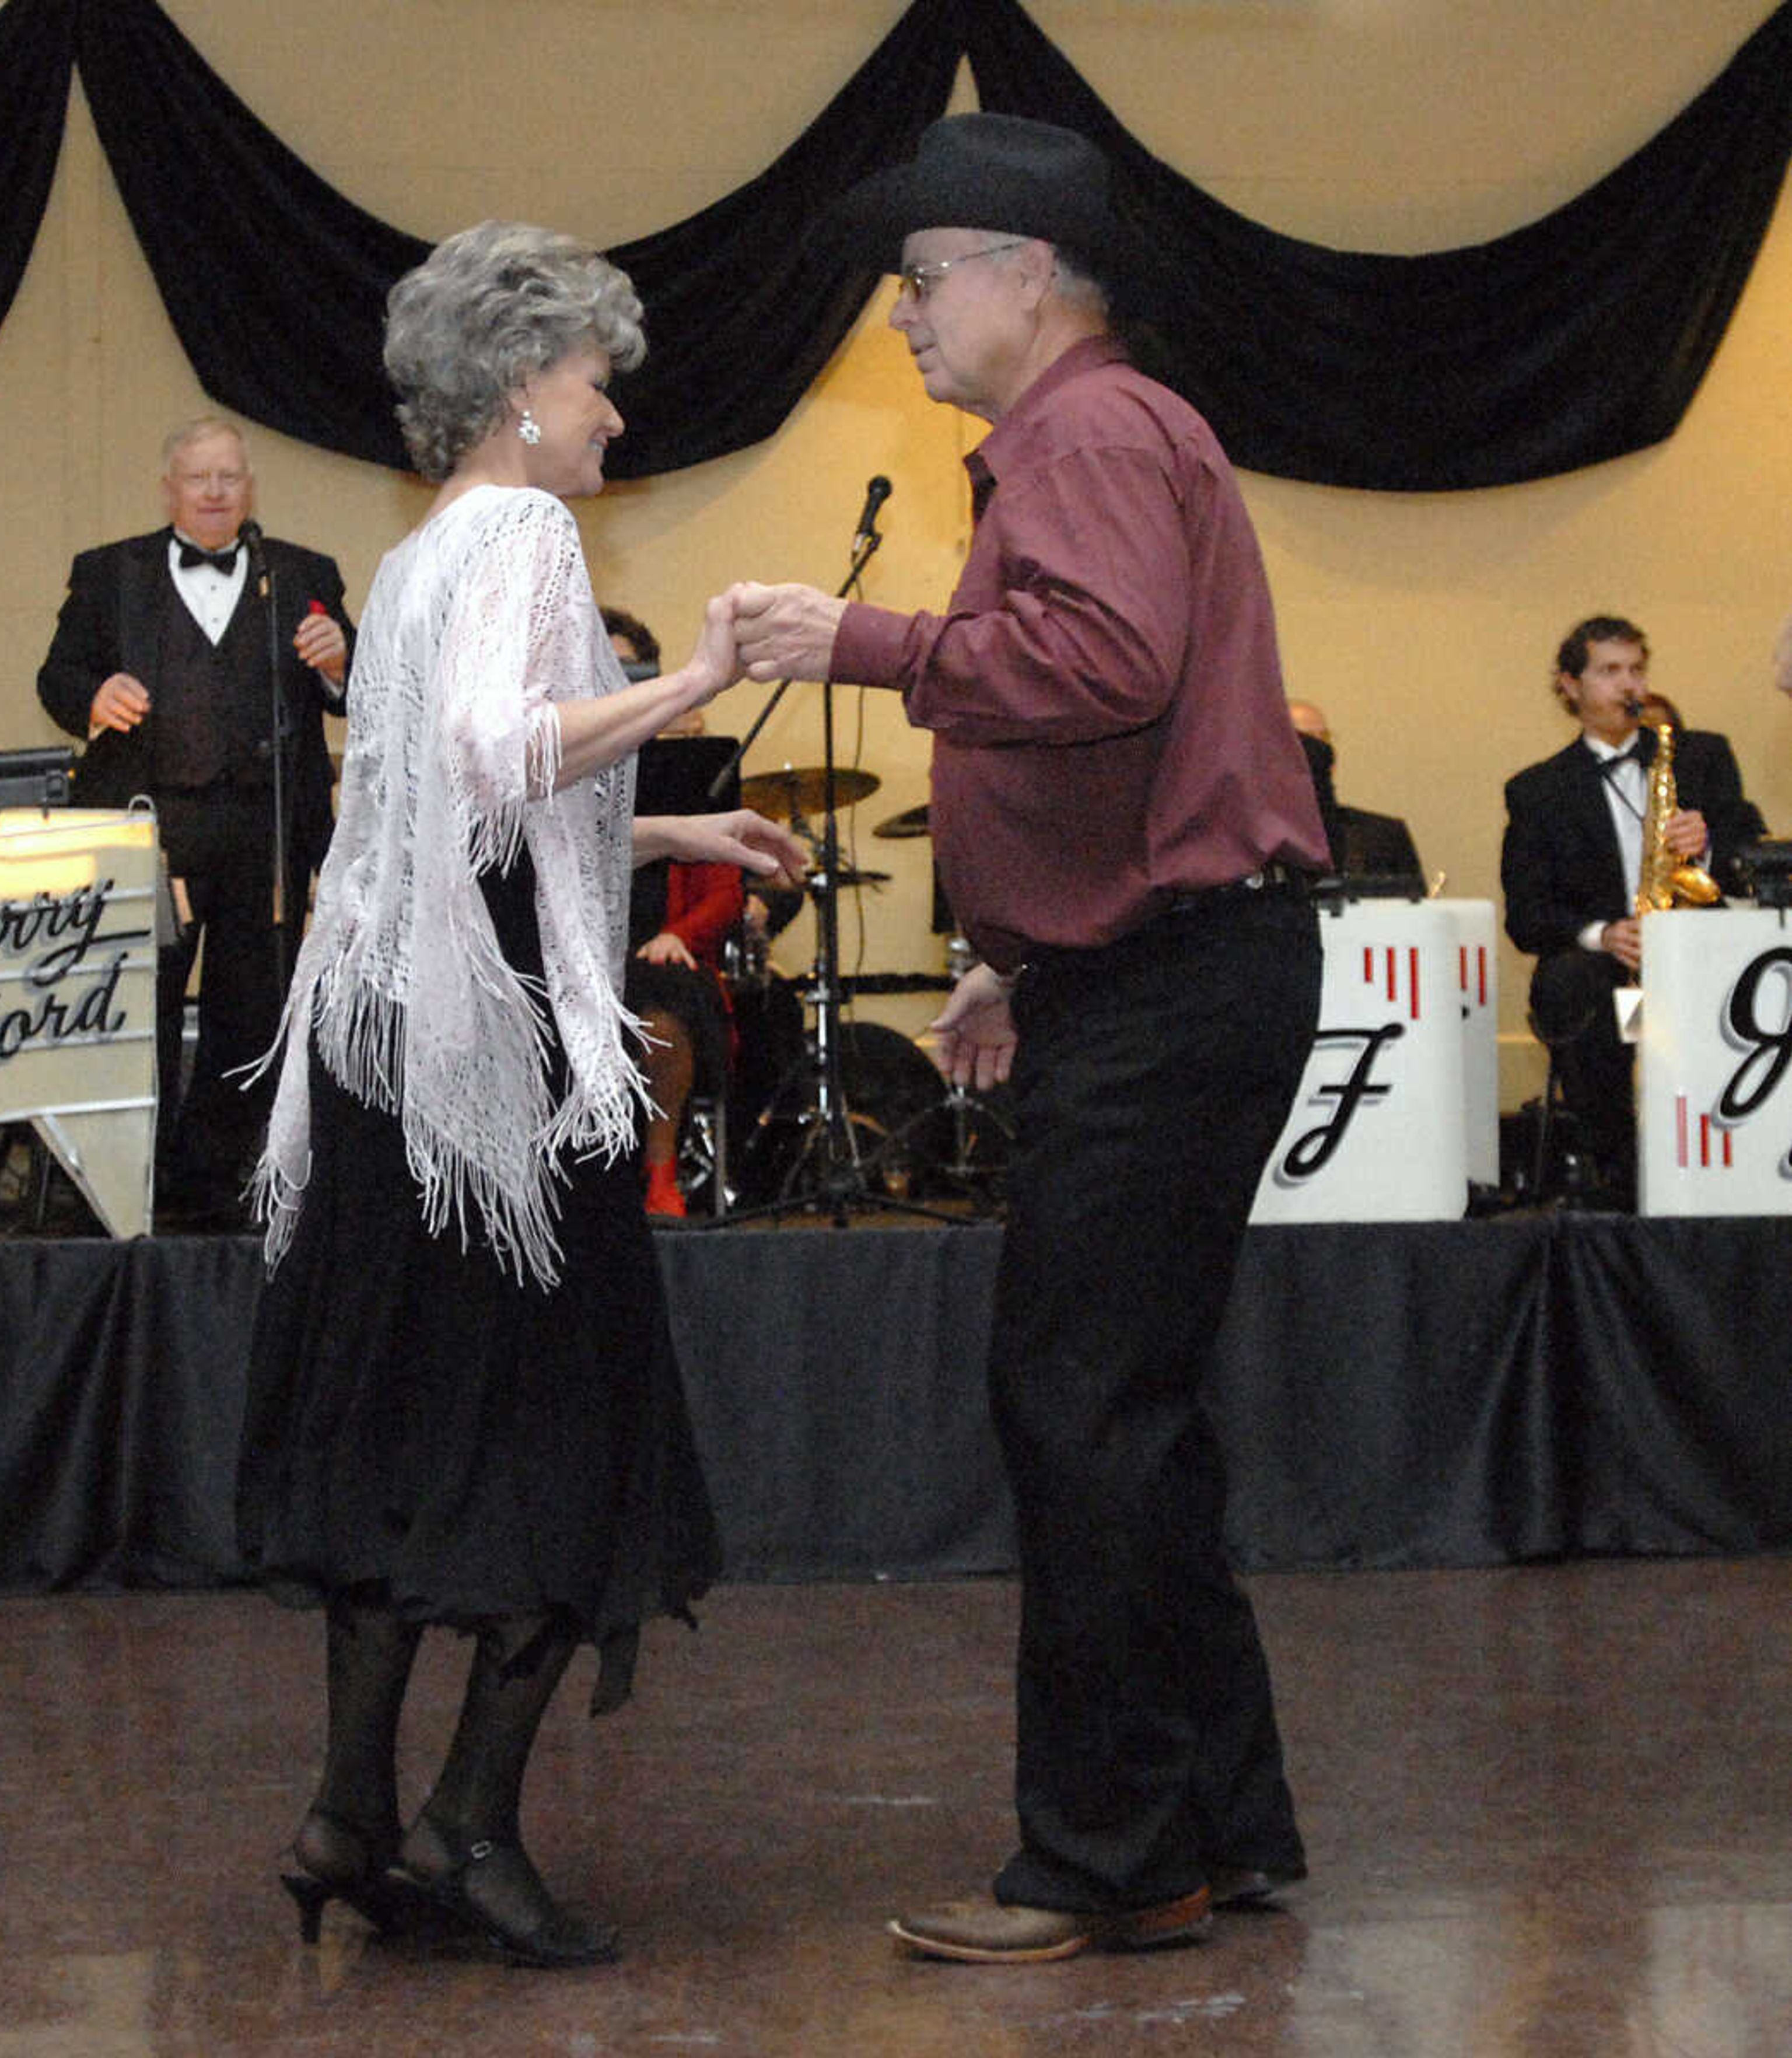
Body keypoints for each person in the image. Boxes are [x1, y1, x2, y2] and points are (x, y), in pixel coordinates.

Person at [727, 113, 1329, 1962]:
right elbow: (1130, 715)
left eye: (918, 281)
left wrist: (863, 640)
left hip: (1170, 985)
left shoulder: (1081, 431)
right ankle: (1208, 1821)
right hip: (1152, 967)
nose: (897, 317)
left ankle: (1105, 1859)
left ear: (1022, 273)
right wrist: (1023, 954)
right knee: (1127, 1422)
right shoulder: (1107, 433)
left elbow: (1099, 665)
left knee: (1075, 1409)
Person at [236, 222, 804, 1969]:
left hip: (384, 1047)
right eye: (592, 382)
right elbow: (498, 757)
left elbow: (442, 816)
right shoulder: (529, 531)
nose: (611, 418)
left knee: (409, 1427)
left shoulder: (415, 559)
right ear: (513, 389)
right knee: (571, 1436)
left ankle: (347, 1809)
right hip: (490, 1063)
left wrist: (670, 824)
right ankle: (467, 1825)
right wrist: (700, 686)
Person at [34, 416, 355, 1224]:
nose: (215, 492)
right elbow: (59, 675)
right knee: (136, 1008)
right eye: (199, 478)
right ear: (169, 487)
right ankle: (126, 1187)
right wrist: (92, 698)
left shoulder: (301, 572)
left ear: (250, 487)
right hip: (151, 829)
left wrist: (342, 663)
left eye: (230, 478)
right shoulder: (111, 573)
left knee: (251, 1015)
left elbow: (364, 686)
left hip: (266, 831)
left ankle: (214, 1190)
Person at [1502, 615, 1767, 1204]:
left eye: (1637, 670)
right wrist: (1602, 935)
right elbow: (1526, 918)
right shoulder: (1537, 791)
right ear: (1569, 685)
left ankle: (1736, 1158)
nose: (1630, 687)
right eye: (1610, 671)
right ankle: (1616, 1166)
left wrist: (1711, 843)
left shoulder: (1701, 758)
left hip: (1699, 953)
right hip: (1608, 972)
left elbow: (1757, 854)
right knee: (1569, 981)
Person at [606, 606, 745, 1214]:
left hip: (661, 951)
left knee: (661, 1013)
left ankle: (660, 1177)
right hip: (583, 954)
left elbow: (725, 895)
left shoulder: (683, 767)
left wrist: (678, 934)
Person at [1287, 698, 1424, 892]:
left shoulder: (1384, 836)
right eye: (1307, 740)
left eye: (1325, 738)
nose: (1323, 750)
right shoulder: (1249, 841)